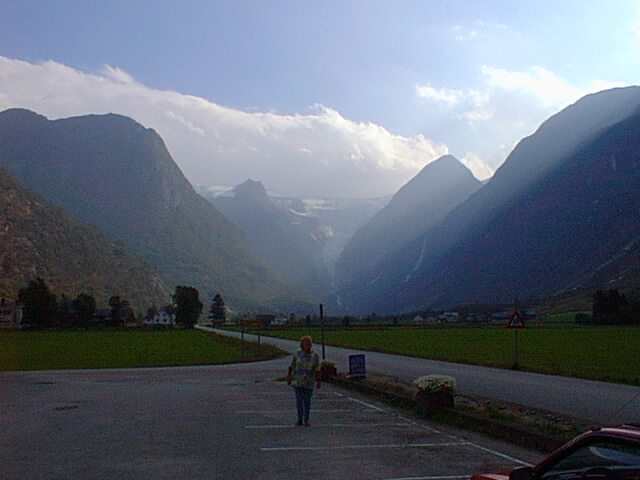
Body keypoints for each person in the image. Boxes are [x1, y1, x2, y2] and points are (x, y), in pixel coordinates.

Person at [287, 335, 321, 426]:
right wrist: (289, 377)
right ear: (302, 344)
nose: (307, 345)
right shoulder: (297, 354)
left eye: (309, 343)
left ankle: (306, 419)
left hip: (309, 381)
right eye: (305, 343)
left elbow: (317, 369)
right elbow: (291, 366)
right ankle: (299, 419)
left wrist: (318, 381)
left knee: (307, 401)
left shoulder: (314, 355)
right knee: (299, 401)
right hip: (298, 381)